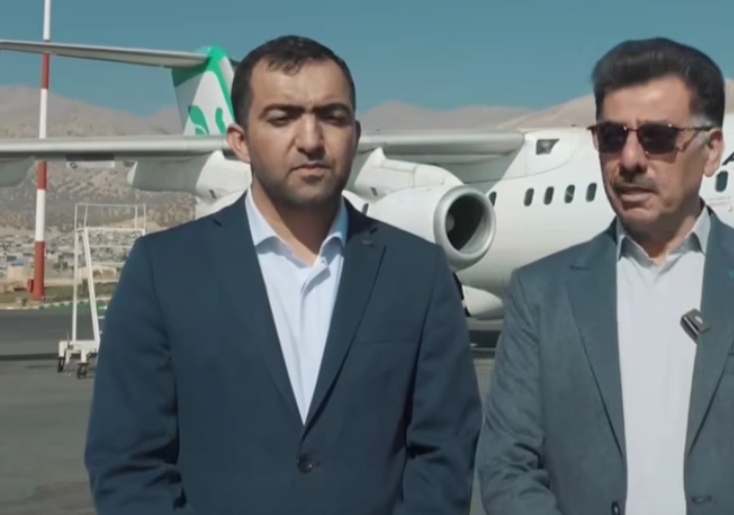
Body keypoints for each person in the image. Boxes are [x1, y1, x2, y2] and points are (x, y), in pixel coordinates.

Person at [84, 35, 482, 515]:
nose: (311, 140)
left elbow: (444, 454)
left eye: (332, 117)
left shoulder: (418, 273)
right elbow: (128, 463)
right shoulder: (163, 271)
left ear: (355, 135)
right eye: (282, 118)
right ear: (240, 141)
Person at [477, 37, 734, 515]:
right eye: (612, 137)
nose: (630, 159)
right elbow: (506, 466)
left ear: (712, 150)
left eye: (657, 137)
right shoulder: (541, 294)